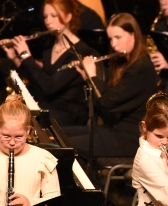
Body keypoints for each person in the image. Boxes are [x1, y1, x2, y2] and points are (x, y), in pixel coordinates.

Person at [63, 13, 159, 162]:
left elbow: (107, 102)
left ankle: (87, 177)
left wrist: (93, 77)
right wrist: (88, 79)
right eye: (111, 39)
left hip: (131, 137)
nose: (114, 44)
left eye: (118, 37)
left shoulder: (140, 68)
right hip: (114, 128)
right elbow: (105, 102)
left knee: (66, 147)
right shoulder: (122, 63)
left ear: (133, 35)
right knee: (59, 134)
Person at [4, 0, 96, 125]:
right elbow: (39, 78)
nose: (48, 21)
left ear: (68, 17)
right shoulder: (49, 44)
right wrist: (16, 58)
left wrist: (25, 54)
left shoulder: (79, 51)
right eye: (46, 16)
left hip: (67, 112)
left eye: (54, 16)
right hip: (48, 105)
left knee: (24, 121)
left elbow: (50, 86)